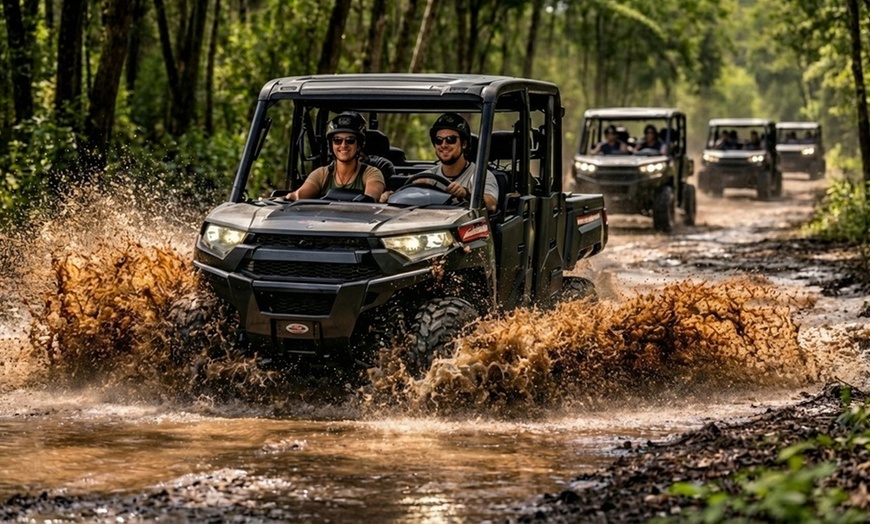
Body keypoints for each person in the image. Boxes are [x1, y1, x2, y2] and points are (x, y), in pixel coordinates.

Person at [382, 112, 499, 213]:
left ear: (464, 144)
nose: (444, 145)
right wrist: (391, 196)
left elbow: (491, 204)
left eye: (451, 140)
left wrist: (467, 194)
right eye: (439, 141)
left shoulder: (481, 176)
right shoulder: (427, 177)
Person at [281, 112, 385, 202]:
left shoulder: (372, 173)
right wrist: (286, 199)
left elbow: (371, 199)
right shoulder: (321, 174)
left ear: (359, 145)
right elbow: (299, 195)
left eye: (350, 140)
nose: (343, 145)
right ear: (331, 145)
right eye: (337, 140)